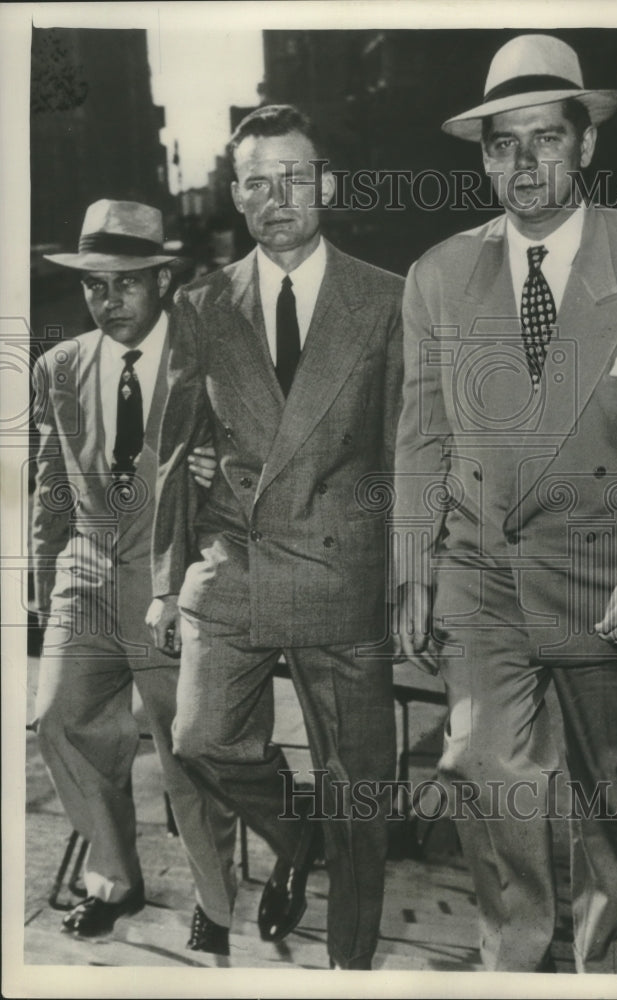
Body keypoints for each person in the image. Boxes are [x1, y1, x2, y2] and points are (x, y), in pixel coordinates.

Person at [394, 35, 617, 973]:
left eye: (545, 138)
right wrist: (412, 568)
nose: (523, 164)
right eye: (502, 143)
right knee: (485, 773)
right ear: (482, 156)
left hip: (616, 579)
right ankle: (513, 964)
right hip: (485, 574)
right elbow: (423, 436)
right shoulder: (440, 275)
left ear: (586, 146)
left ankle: (611, 974)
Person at [147, 104, 403, 971]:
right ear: (236, 196)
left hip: (347, 567)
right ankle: (297, 838)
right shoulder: (201, 302)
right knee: (201, 740)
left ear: (325, 183)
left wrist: (411, 574)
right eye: (257, 181)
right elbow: (174, 451)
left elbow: (411, 447)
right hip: (240, 560)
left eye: (294, 176)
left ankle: (350, 967)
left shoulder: (385, 298)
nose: (277, 195)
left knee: (361, 795)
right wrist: (162, 576)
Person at [32, 199, 238, 956]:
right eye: (93, 285)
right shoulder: (59, 367)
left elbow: (251, 467)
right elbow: (53, 479)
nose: (107, 300)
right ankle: (115, 881)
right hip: (84, 573)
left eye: (124, 283)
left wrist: (216, 486)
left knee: (185, 750)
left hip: (173, 582)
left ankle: (215, 903)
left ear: (161, 279)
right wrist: (41, 571)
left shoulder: (206, 362)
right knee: (58, 719)